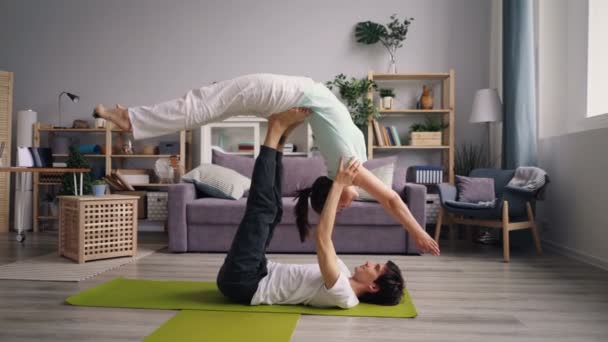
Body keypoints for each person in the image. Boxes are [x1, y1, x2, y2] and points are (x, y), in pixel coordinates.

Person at [95, 73, 440, 256]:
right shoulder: (351, 166)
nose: (347, 206)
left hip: (292, 94)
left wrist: (417, 231)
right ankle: (133, 120)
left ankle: (133, 120)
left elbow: (386, 200)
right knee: (208, 102)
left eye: (339, 205)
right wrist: (419, 232)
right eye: (342, 206)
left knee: (209, 102)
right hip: (291, 92)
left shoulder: (343, 170)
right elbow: (392, 200)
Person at [216, 111, 404, 308]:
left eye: (375, 268)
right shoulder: (343, 274)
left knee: (262, 209)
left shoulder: (344, 295)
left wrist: (339, 184)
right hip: (259, 270)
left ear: (373, 287)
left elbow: (322, 237)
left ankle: (274, 130)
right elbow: (326, 238)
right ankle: (281, 139)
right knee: (275, 210)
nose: (369, 263)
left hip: (244, 283)